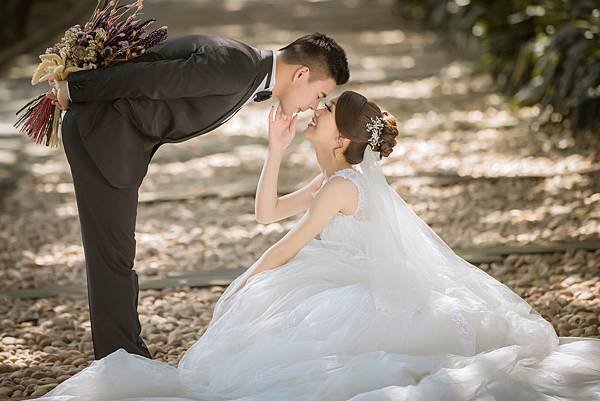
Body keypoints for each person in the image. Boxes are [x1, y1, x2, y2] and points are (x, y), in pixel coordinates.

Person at [35, 91, 600, 401]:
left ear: (345, 138)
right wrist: (275, 147)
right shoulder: (337, 182)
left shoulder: (340, 187)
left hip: (356, 292)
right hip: (339, 276)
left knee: (275, 334)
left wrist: (242, 283)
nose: (316, 111)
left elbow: (284, 246)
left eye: (326, 111)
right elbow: (266, 213)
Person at [47, 32, 350, 360]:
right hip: (103, 137)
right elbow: (149, 79)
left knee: (114, 255)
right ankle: (122, 359)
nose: (313, 106)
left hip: (114, 140)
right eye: (319, 94)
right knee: (112, 257)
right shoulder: (236, 65)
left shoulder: (244, 65)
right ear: (301, 74)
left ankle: (123, 354)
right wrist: (76, 88)